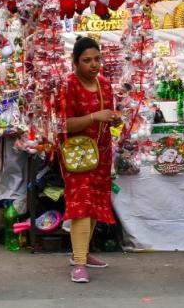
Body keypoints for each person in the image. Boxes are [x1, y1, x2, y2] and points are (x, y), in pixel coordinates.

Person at [61, 36, 122, 283]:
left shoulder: (104, 84)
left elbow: (106, 115)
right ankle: (79, 262)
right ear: (74, 62)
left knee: (96, 201)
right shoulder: (68, 86)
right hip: (76, 153)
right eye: (87, 60)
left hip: (101, 152)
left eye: (97, 59)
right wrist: (95, 117)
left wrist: (113, 118)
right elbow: (64, 124)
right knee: (81, 204)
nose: (94, 64)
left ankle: (83, 252)